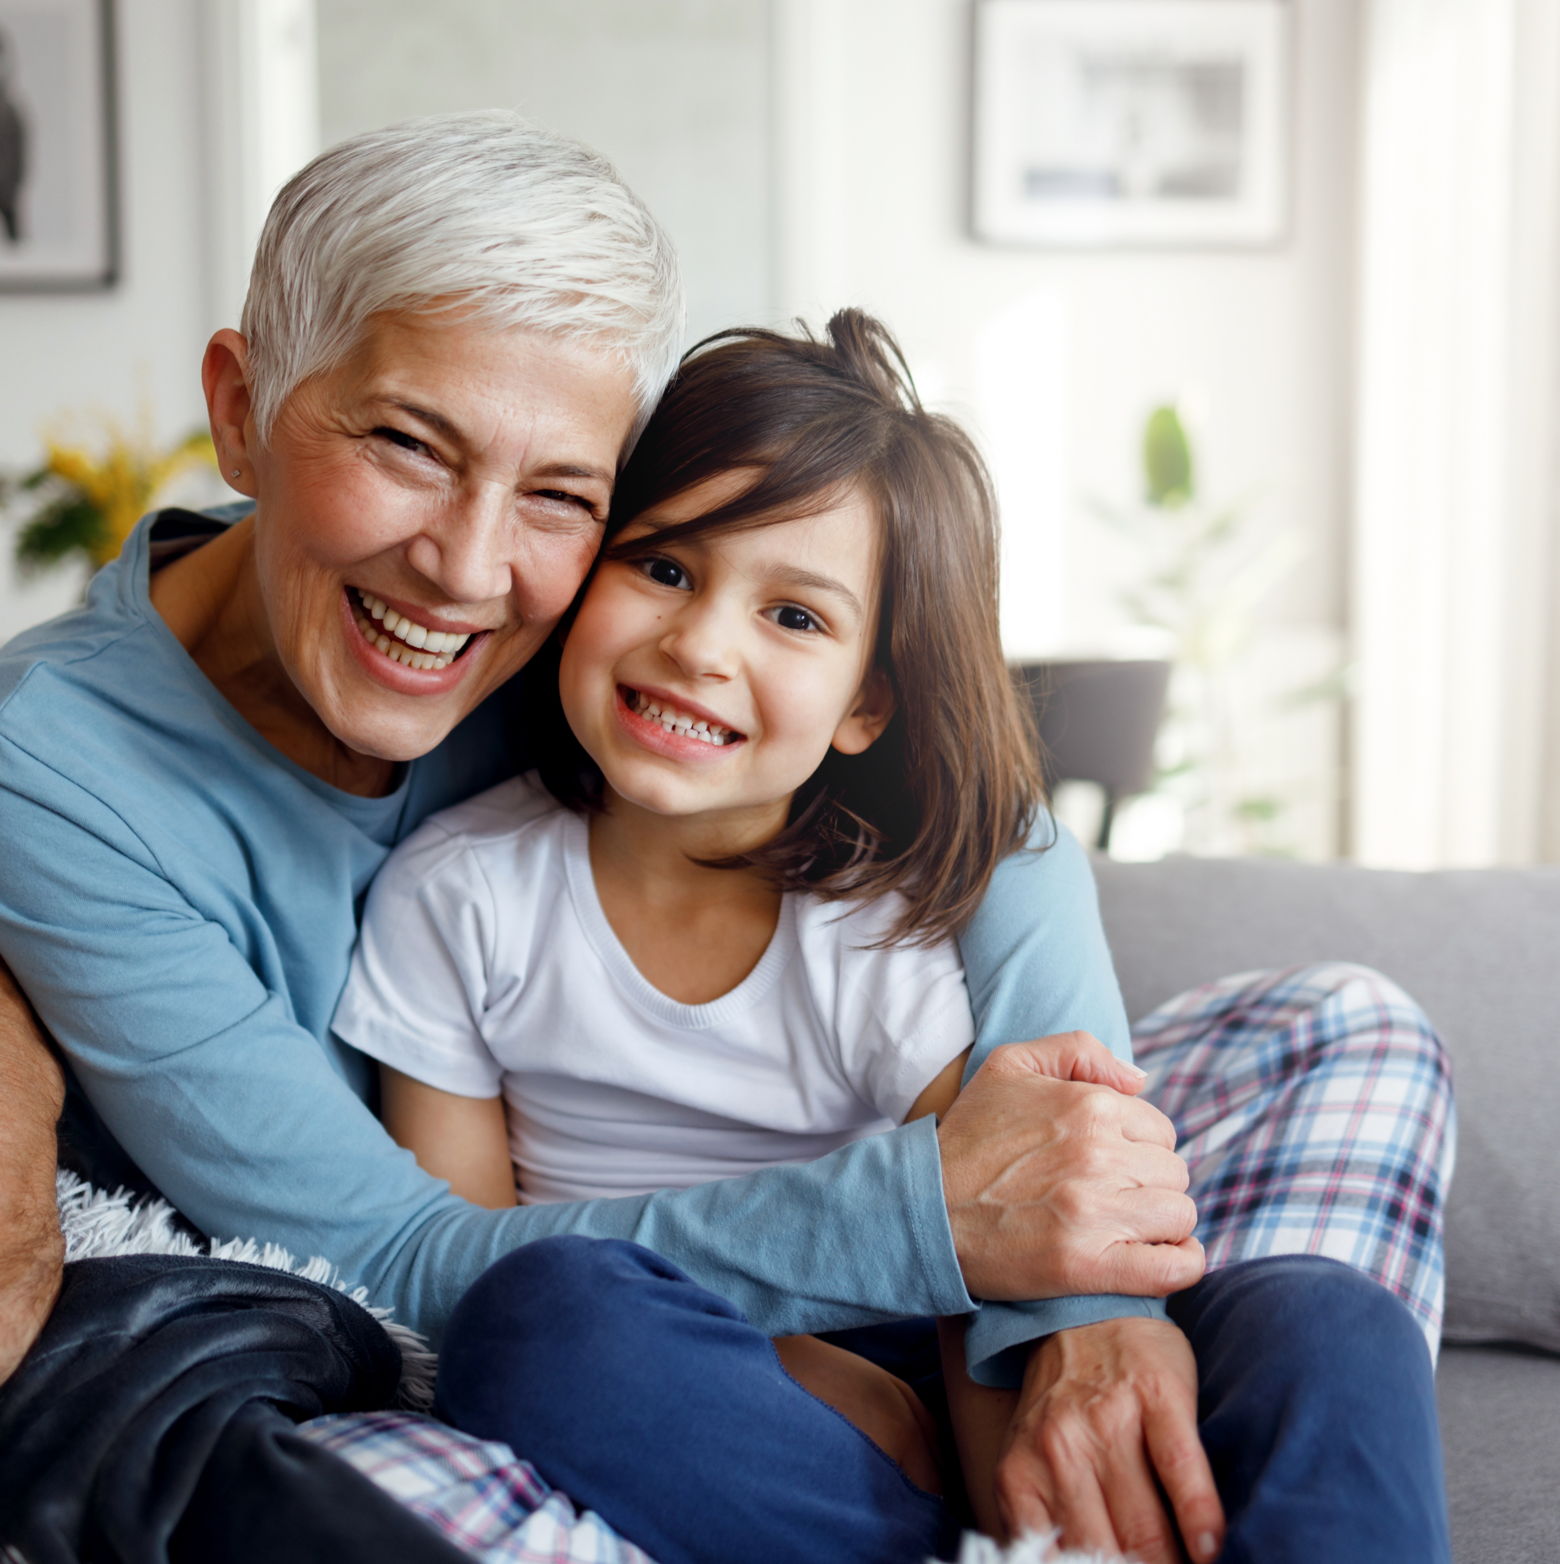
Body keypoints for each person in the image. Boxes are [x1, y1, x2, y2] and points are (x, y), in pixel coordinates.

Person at [0, 113, 1452, 1564]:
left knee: (1335, 1040)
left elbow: (986, 830)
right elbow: (404, 1261)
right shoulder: (56, 769)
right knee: (531, 1353)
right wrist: (938, 1215)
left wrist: (1080, 1305)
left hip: (876, 1246)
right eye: (402, 444)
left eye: (563, 496)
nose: (468, 567)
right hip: (543, 1297)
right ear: (241, 406)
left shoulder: (592, 630)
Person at [328, 311, 1454, 1564]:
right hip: (684, 1372)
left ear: (867, 704)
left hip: (932, 1343)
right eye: (664, 566)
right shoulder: (458, 892)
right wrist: (787, 1361)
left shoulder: (880, 929)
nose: (700, 644)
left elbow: (993, 1251)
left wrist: (1019, 1512)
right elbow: (460, 1275)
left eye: (795, 618)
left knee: (1329, 1319)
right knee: (534, 1319)